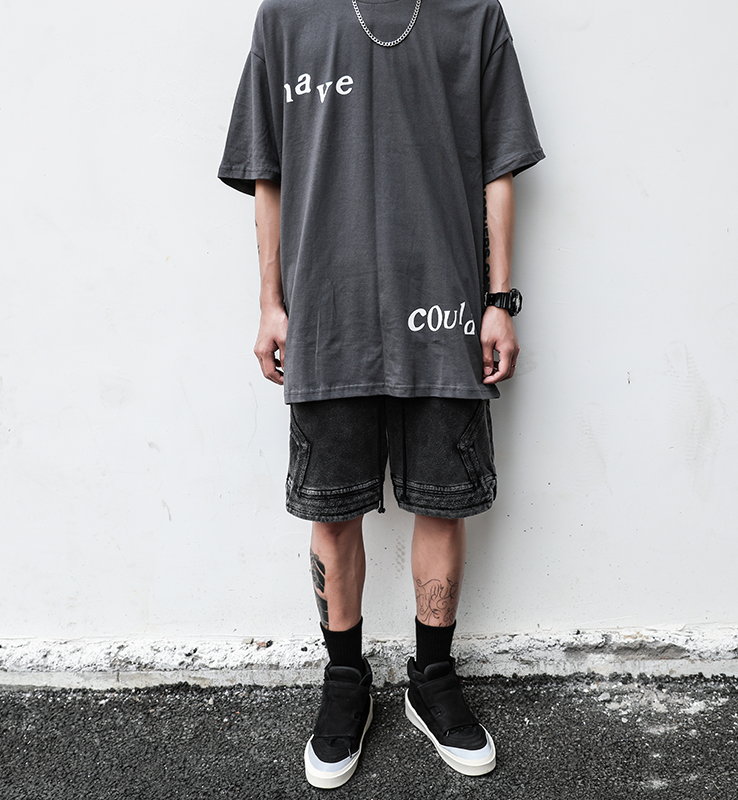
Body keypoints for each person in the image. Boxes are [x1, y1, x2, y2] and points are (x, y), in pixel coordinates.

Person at [219, 0, 543, 788]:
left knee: (442, 502)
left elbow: (499, 167)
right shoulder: (287, 17)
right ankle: (345, 681)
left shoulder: (472, 14)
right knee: (332, 511)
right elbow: (267, 172)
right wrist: (269, 304)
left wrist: (500, 302)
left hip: (445, 312)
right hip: (328, 315)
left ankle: (432, 680)